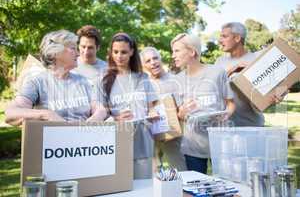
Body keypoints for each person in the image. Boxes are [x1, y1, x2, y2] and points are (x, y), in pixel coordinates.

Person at [5, 30, 106, 126]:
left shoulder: (84, 81)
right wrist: (47, 115)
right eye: (73, 48)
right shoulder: (37, 82)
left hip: (82, 142)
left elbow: (99, 109)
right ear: (55, 52)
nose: (78, 53)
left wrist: (89, 123)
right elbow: (11, 114)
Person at [92, 33, 158, 179]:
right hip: (116, 142)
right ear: (110, 52)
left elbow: (151, 106)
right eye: (115, 52)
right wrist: (115, 118)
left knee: (144, 187)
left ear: (132, 52)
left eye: (124, 52)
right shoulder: (101, 80)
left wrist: (154, 112)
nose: (119, 56)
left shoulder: (142, 77)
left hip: (143, 141)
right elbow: (98, 113)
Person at [171, 33, 235, 174]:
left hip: (220, 144)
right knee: (196, 191)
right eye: (172, 51)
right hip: (192, 147)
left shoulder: (217, 72)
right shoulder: (176, 81)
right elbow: (178, 115)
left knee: (227, 187)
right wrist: (182, 113)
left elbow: (230, 104)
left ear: (192, 52)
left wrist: (226, 115)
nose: (172, 55)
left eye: (177, 51)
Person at [215, 22, 282, 126]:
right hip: (225, 125)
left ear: (237, 38)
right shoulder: (220, 62)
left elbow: (270, 90)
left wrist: (275, 97)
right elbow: (212, 88)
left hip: (252, 125)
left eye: (224, 36)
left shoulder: (257, 60)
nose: (220, 40)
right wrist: (231, 71)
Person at [140, 47, 187, 171]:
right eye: (148, 61)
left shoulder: (175, 80)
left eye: (155, 58)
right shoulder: (142, 83)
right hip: (150, 134)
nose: (153, 62)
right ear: (143, 65)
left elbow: (182, 107)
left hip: (172, 134)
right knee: (153, 171)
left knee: (179, 168)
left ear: (160, 59)